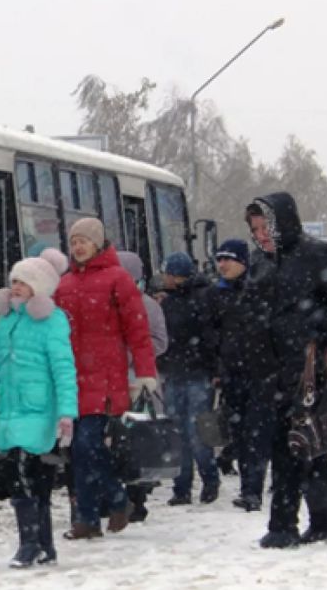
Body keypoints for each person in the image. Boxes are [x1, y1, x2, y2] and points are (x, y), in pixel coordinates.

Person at [245, 192, 327, 548]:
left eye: (266, 227)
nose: (261, 235)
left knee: (289, 444)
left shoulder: (315, 254)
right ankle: (324, 521)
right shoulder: (261, 262)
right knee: (308, 444)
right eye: (255, 229)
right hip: (272, 366)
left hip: (310, 365)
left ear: (283, 222)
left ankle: (283, 525)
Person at [0, 257, 77, 568]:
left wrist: (67, 413)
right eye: (14, 281)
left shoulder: (52, 322)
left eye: (23, 283)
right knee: (33, 481)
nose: (15, 287)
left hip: (38, 412)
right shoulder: (7, 321)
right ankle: (43, 546)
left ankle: (29, 545)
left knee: (22, 478)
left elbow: (64, 370)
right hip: (10, 413)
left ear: (38, 288)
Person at [54, 217, 158, 539]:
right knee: (80, 453)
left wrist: (144, 373)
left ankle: (111, 501)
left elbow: (137, 331)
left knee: (87, 446)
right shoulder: (65, 283)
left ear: (98, 243)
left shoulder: (118, 280)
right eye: (73, 242)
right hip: (74, 380)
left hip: (106, 380)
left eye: (84, 240)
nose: (78, 247)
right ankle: (91, 516)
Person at [206, 238, 279, 512]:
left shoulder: (259, 291)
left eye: (228, 259)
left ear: (243, 262)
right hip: (232, 376)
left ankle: (253, 489)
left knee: (257, 433)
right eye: (219, 259)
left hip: (262, 374)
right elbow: (210, 336)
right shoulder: (216, 295)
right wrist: (217, 369)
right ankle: (249, 486)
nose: (222, 265)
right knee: (239, 434)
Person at [155, 251, 220, 505]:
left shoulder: (180, 302)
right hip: (186, 372)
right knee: (189, 431)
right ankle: (198, 483)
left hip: (189, 373)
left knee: (191, 431)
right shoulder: (197, 299)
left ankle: (190, 485)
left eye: (168, 273)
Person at [118, 250, 169, 523]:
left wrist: (128, 354)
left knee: (136, 437)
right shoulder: (105, 302)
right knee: (118, 439)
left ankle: (137, 497)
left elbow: (161, 342)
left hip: (140, 381)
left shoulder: (148, 305)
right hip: (112, 382)